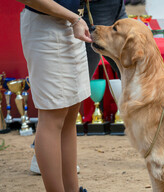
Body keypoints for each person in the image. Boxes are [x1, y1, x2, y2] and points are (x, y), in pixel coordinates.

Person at [17, 0, 114, 192]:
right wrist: (74, 18)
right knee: (52, 116)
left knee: (71, 113)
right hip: (48, 26)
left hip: (73, 24)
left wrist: (76, 18)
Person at [30, 0, 128, 174]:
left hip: (113, 5)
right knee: (70, 94)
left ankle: (163, 145)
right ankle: (45, 154)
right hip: (86, 8)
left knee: (137, 72)